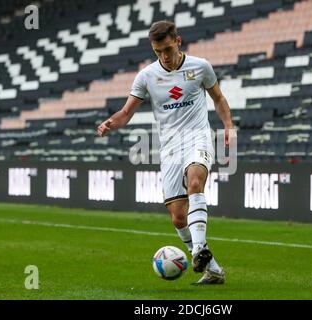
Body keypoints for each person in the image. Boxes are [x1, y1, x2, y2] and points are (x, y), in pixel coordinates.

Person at [97, 20, 235, 285]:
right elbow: (126, 112)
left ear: (178, 41)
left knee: (195, 182)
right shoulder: (147, 76)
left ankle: (197, 251)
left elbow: (218, 97)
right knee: (178, 217)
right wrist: (110, 123)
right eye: (158, 51)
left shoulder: (200, 67)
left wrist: (228, 126)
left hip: (197, 137)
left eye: (168, 49)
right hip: (169, 147)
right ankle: (213, 269)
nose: (164, 56)